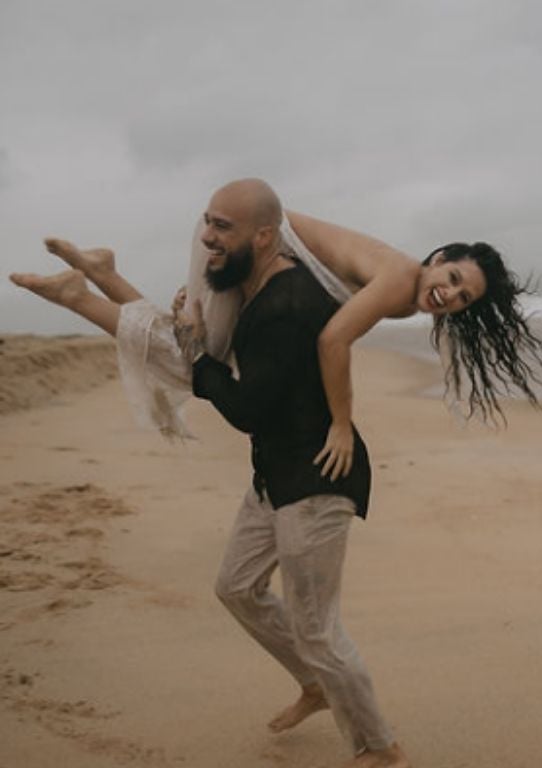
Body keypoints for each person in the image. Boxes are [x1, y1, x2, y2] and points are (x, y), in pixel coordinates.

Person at [165, 179, 407, 767]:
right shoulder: (254, 288)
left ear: (264, 236)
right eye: (207, 221)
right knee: (236, 587)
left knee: (318, 628)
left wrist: (195, 353)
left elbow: (247, 410)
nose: (207, 236)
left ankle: (380, 747)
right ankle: (317, 683)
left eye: (223, 227)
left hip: (317, 483)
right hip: (275, 475)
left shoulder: (286, 305)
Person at [10, 198, 542, 459]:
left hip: (256, 235)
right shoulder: (401, 281)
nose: (450, 295)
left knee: (195, 353)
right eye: (453, 279)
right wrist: (341, 424)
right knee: (192, 359)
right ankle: (80, 293)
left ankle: (102, 274)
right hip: (255, 237)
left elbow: (324, 324)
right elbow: (333, 339)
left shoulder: (409, 292)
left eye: (463, 298)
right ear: (440, 259)